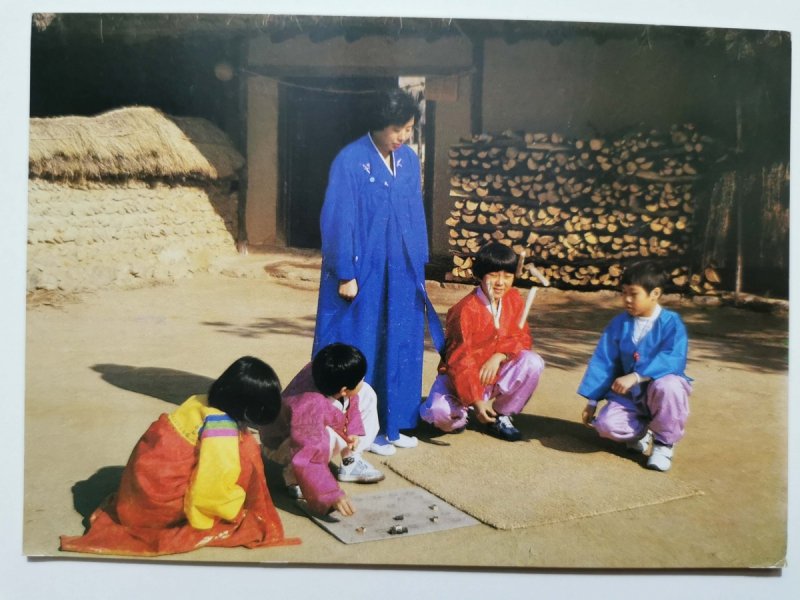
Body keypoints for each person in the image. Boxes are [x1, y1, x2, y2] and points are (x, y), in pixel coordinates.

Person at [312, 87, 443, 457]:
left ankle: (396, 423)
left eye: (409, 130)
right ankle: (362, 431)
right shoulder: (350, 160)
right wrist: (344, 271)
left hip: (400, 267)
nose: (403, 137)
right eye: (397, 130)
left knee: (401, 342)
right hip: (363, 267)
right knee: (361, 342)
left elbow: (415, 214)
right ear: (378, 125)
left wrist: (419, 261)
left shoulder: (409, 161)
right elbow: (339, 218)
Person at [59, 357, 299, 556]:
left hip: (138, 494)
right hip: (155, 509)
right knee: (247, 452)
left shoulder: (201, 401)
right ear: (248, 411)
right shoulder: (222, 430)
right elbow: (209, 490)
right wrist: (235, 508)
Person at [420, 242, 545, 441]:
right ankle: (454, 411)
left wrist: (500, 355)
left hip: (492, 376)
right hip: (459, 381)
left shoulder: (513, 299)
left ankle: (500, 415)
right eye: (494, 275)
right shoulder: (464, 310)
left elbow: (522, 337)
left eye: (507, 276)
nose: (501, 282)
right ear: (480, 275)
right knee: (442, 416)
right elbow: (460, 360)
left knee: (533, 361)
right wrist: (476, 400)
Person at [578, 261, 692, 472]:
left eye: (633, 294)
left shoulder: (671, 323)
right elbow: (604, 360)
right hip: (630, 396)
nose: (627, 300)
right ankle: (642, 432)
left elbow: (673, 357)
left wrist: (638, 375)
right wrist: (593, 401)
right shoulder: (619, 323)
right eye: (623, 293)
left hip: (660, 391)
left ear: (655, 293)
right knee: (606, 425)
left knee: (669, 386)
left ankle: (663, 443)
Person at [259, 343, 384, 517]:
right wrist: (330, 494)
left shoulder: (322, 371)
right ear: (343, 389)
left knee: (367, 393)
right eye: (360, 379)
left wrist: (353, 431)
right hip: (283, 442)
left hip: (306, 428)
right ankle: (295, 478)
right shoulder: (309, 409)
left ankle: (351, 461)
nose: (363, 380)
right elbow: (308, 453)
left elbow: (351, 398)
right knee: (325, 438)